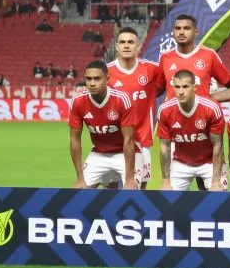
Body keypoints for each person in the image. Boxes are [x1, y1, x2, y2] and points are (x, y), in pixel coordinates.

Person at [107, 27, 165, 188]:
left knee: (139, 188)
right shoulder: (106, 72)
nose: (126, 45)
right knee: (110, 189)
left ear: (138, 46)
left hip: (141, 140)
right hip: (112, 140)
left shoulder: (152, 69)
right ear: (117, 46)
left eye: (130, 42)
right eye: (122, 42)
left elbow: (165, 85)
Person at [68, 61, 137, 189]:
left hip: (123, 154)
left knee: (131, 190)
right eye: (88, 79)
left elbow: (129, 139)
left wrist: (130, 179)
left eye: (97, 79)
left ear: (107, 79)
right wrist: (80, 178)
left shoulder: (122, 99)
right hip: (98, 153)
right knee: (78, 191)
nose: (92, 83)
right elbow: (74, 139)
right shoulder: (77, 101)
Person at [157, 70, 226, 191]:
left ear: (194, 87)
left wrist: (215, 182)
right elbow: (165, 147)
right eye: (177, 87)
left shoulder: (211, 108)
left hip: (209, 162)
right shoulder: (164, 110)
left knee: (219, 193)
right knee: (167, 194)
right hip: (181, 162)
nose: (181, 92)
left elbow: (218, 145)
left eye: (185, 87)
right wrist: (165, 182)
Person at [158, 13, 230, 98]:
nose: (181, 32)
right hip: (173, 107)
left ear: (196, 32)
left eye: (186, 28)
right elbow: (156, 90)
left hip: (201, 107)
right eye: (178, 28)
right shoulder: (165, 58)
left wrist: (209, 99)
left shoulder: (209, 55)